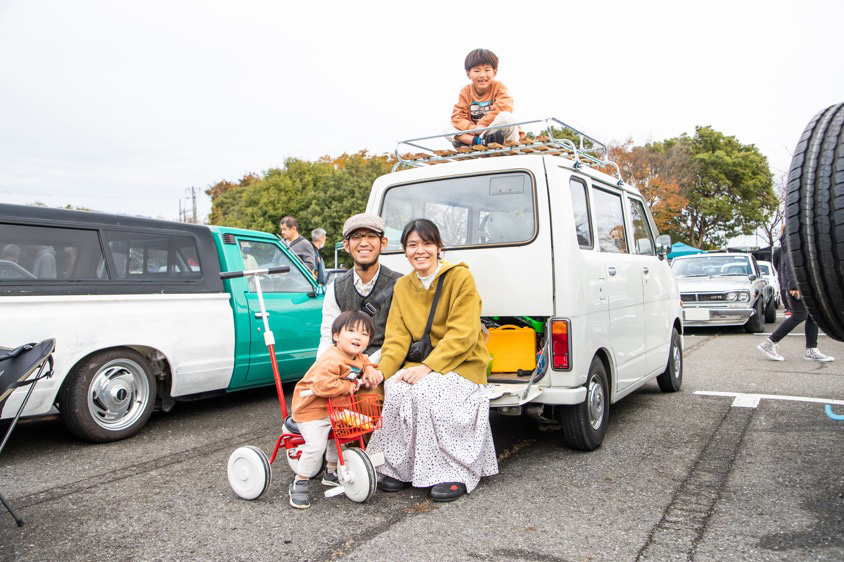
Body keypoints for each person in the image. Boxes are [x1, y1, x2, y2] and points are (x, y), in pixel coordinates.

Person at [366, 219, 498, 502]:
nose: (420, 250)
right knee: (397, 388)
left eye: (427, 243)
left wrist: (428, 368)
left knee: (427, 391)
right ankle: (399, 467)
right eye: (412, 245)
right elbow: (396, 338)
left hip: (462, 361)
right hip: (423, 364)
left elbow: (463, 334)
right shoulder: (402, 286)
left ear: (439, 247)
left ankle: (452, 472)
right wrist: (381, 372)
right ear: (405, 251)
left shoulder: (460, 278)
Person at [288, 310, 378, 509]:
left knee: (342, 435)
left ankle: (330, 471)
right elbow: (322, 386)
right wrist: (349, 386)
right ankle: (300, 480)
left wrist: (371, 368)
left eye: (364, 334)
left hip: (334, 409)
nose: (358, 336)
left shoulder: (357, 356)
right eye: (352, 331)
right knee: (316, 446)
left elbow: (365, 360)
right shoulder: (332, 359)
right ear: (336, 336)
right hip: (312, 410)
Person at [318, 213, 402, 365]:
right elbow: (328, 337)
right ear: (346, 245)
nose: (364, 243)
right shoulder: (335, 288)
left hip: (386, 364)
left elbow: (398, 338)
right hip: (344, 366)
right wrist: (321, 368)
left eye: (371, 236)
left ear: (383, 243)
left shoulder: (400, 285)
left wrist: (364, 365)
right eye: (356, 236)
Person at [757, 232, 834, 362]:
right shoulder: (792, 237)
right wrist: (794, 286)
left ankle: (811, 350)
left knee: (813, 316)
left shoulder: (799, 237)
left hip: (806, 284)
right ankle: (769, 343)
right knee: (799, 315)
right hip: (798, 285)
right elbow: (790, 263)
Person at [449, 48, 518, 148]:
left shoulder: (499, 86)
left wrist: (483, 125)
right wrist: (474, 128)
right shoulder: (466, 91)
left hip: (494, 132)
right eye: (476, 71)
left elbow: (504, 106)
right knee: (448, 128)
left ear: (494, 72)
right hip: (477, 134)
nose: (482, 75)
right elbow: (457, 117)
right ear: (468, 74)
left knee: (507, 117)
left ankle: (476, 140)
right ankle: (479, 141)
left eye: (487, 70)